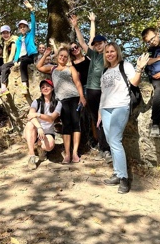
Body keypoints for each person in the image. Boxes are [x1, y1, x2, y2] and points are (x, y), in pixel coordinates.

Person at [99, 42, 149, 194]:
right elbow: (103, 93)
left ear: (117, 52)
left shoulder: (125, 65)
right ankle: (117, 172)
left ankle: (124, 179)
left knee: (115, 140)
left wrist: (139, 68)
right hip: (106, 108)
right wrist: (100, 112)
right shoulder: (105, 71)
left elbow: (134, 82)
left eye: (112, 51)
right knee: (110, 141)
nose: (109, 54)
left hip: (121, 106)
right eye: (107, 52)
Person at [71, 13, 112, 163]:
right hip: (91, 92)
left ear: (106, 43)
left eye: (101, 43)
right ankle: (103, 148)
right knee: (97, 120)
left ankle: (107, 149)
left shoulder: (110, 56)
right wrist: (76, 26)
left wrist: (93, 22)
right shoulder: (94, 55)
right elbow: (82, 42)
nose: (98, 45)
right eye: (96, 44)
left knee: (105, 119)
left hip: (104, 91)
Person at [37, 47, 86, 163]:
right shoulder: (52, 68)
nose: (62, 58)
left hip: (74, 98)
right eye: (61, 55)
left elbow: (77, 83)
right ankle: (67, 154)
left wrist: (82, 97)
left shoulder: (71, 68)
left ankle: (75, 153)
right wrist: (46, 54)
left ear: (67, 58)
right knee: (66, 125)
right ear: (57, 56)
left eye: (65, 56)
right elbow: (39, 66)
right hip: (61, 100)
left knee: (76, 124)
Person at [23, 79, 62, 170]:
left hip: (48, 132)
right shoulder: (37, 102)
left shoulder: (58, 103)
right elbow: (30, 115)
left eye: (48, 86)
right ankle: (32, 155)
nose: (45, 88)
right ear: (40, 90)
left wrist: (38, 114)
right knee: (29, 125)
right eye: (43, 87)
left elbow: (51, 118)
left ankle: (41, 148)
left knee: (49, 146)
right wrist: (39, 127)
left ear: (52, 88)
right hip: (36, 131)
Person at [13, 0, 38, 95]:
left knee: (23, 63)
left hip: (31, 55)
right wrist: (15, 60)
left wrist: (31, 9)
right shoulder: (18, 39)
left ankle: (25, 85)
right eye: (21, 27)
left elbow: (33, 22)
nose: (22, 28)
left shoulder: (30, 34)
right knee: (14, 65)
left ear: (27, 28)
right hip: (22, 57)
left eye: (24, 26)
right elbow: (18, 51)